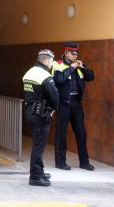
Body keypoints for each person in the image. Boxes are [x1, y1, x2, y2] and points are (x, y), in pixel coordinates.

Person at [52, 42, 95, 171]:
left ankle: (84, 162)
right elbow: (59, 79)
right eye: (73, 53)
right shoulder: (57, 64)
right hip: (64, 103)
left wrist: (83, 68)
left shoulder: (79, 65)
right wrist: (71, 68)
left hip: (76, 103)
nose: (75, 56)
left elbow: (91, 77)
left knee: (81, 133)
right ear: (66, 53)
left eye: (76, 53)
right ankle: (60, 162)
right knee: (61, 134)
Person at [23, 49, 59, 187]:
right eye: (51, 60)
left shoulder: (29, 72)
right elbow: (54, 96)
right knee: (39, 146)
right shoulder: (44, 75)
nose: (52, 63)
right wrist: (53, 109)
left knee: (38, 144)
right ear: (46, 60)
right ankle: (35, 176)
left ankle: (40, 171)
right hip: (40, 114)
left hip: (30, 112)